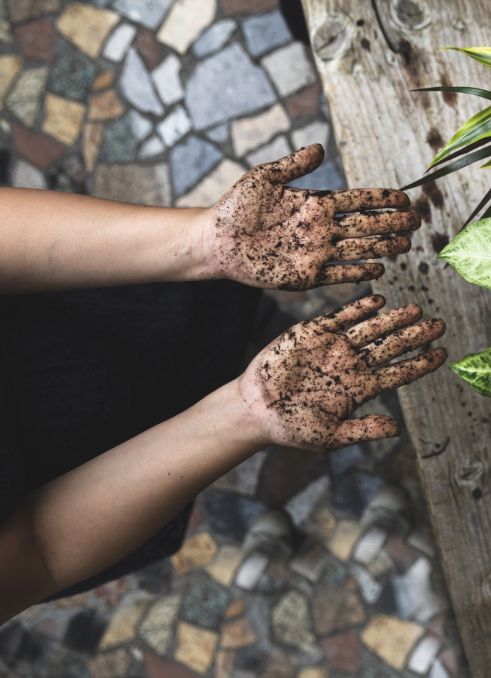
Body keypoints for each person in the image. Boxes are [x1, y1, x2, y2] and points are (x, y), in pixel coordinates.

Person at [0, 144, 447, 625]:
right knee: (218, 431)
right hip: (87, 484)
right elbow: (40, 551)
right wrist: (243, 414)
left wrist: (204, 243)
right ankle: (255, 461)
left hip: (67, 304)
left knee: (207, 320)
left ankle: (254, 324)